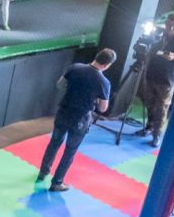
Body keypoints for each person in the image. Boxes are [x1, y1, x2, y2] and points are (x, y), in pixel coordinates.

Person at [38, 48, 116, 192]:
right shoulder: (103, 82)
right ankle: (57, 182)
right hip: (80, 119)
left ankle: (43, 173)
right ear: (107, 65)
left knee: (54, 143)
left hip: (63, 112)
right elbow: (103, 108)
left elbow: (59, 85)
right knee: (70, 151)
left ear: (96, 56)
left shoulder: (75, 68)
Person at [136, 14, 174, 145]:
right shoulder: (160, 34)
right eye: (168, 25)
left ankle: (157, 135)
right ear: (165, 23)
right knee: (149, 102)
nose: (170, 28)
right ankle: (149, 126)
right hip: (151, 74)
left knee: (161, 108)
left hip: (167, 78)